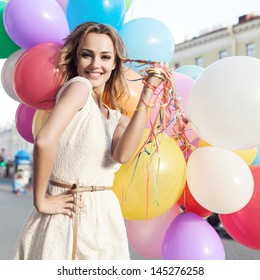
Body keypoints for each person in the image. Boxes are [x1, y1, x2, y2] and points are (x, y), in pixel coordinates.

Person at [12, 22, 165, 260]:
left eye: (105, 57)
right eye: (87, 55)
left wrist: (147, 95)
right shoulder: (79, 87)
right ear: (75, 58)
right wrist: (41, 200)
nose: (95, 64)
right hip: (71, 214)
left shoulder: (114, 116)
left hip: (104, 219)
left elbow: (122, 155)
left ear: (115, 64)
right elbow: (44, 140)